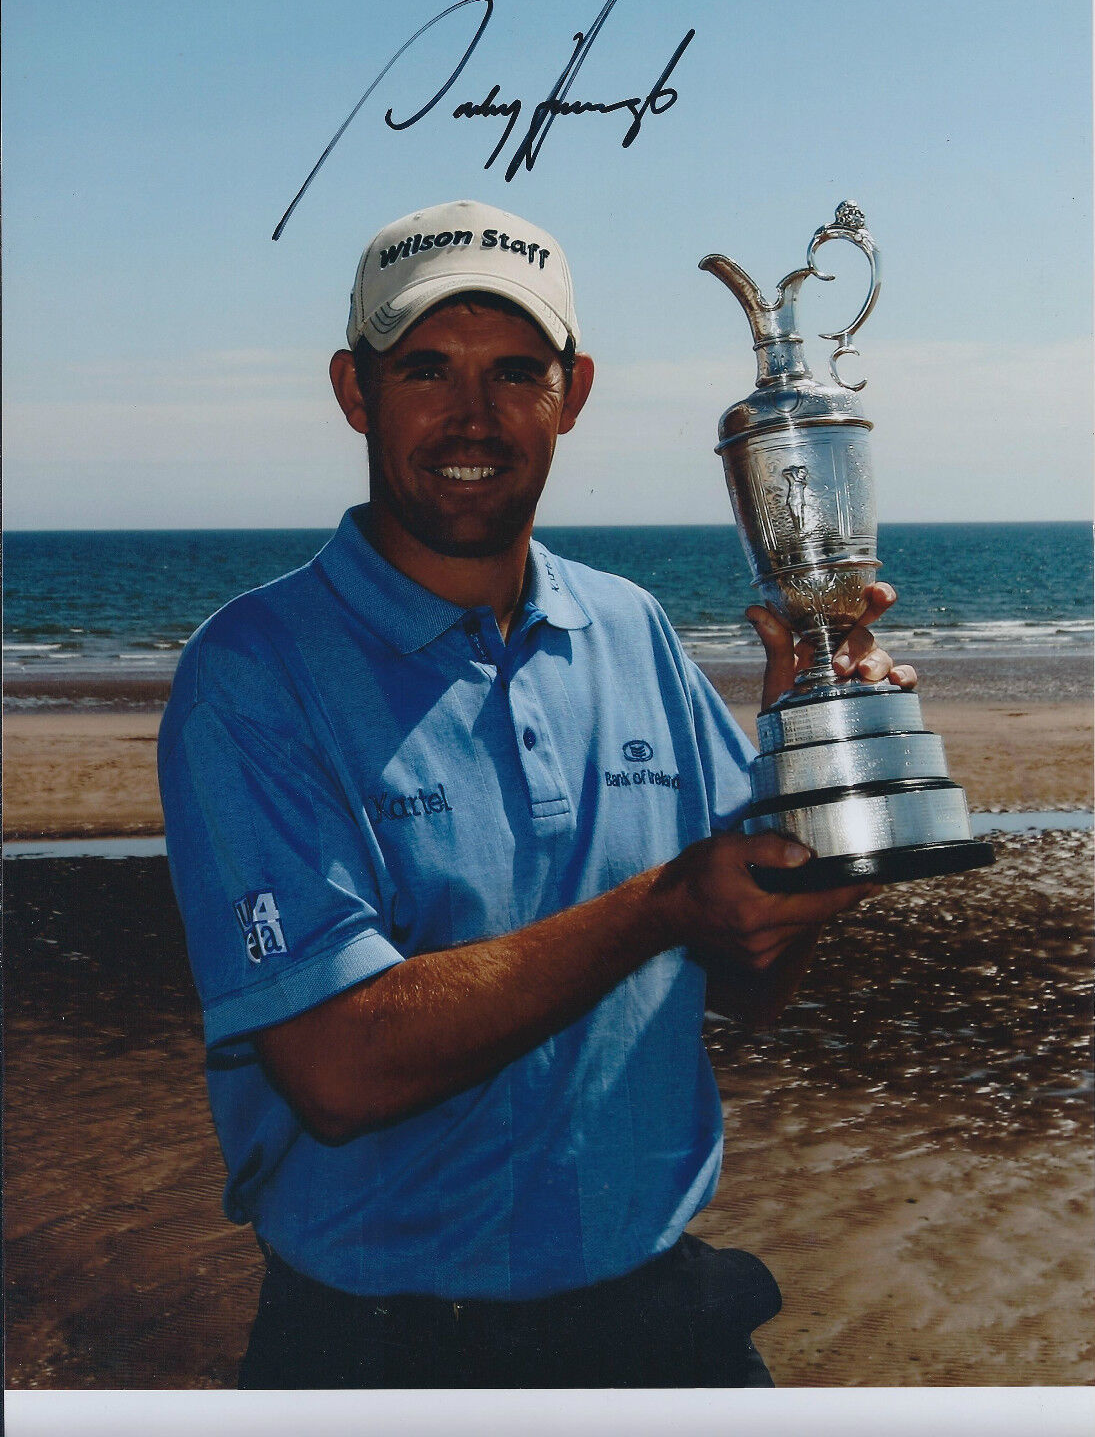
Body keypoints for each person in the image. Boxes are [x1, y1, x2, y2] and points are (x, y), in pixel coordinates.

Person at [158, 199, 917, 1390]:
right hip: (383, 1353)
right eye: (426, 370)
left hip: (665, 1324)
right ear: (356, 391)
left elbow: (749, 988)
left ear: (574, 392)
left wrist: (813, 781)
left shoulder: (633, 628)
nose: (473, 415)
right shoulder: (252, 674)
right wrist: (665, 904)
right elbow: (338, 1070)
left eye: (517, 370)